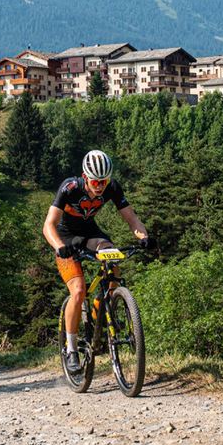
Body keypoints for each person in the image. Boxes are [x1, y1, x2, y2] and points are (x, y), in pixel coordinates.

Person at [42, 149, 148, 373]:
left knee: (113, 256)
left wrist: (144, 237)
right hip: (66, 238)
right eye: (95, 181)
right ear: (84, 176)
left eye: (104, 181)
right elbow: (48, 225)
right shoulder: (70, 188)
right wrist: (59, 247)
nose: (100, 186)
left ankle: (104, 308)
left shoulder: (112, 187)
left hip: (90, 234)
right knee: (78, 291)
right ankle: (71, 350)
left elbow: (131, 218)